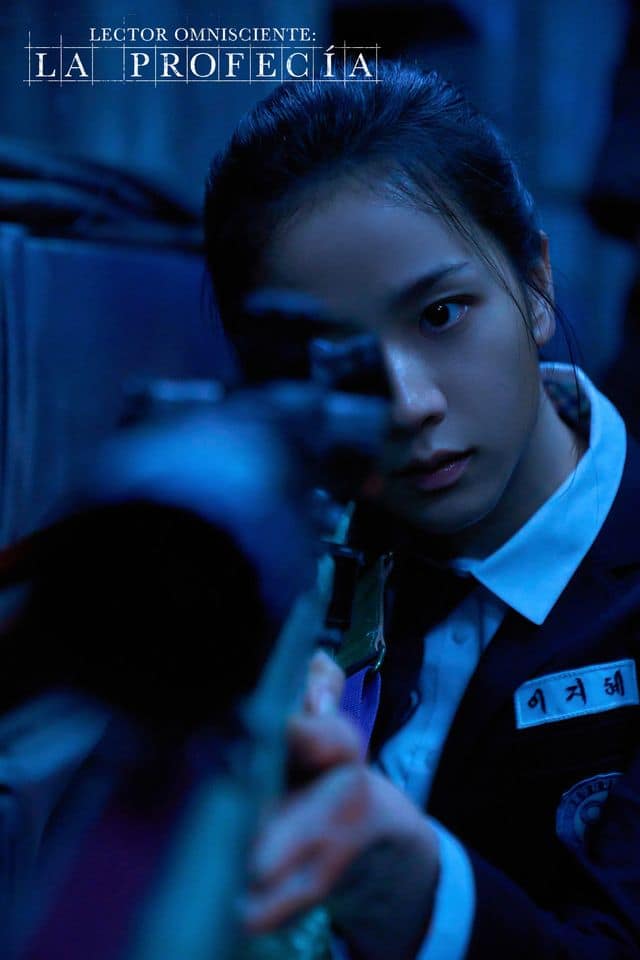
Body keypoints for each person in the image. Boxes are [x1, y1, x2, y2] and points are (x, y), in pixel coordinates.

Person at [203, 62, 640, 959]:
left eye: (440, 314)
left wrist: (418, 892)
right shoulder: (282, 554)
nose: (406, 403)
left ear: (535, 282)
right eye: (336, 358)